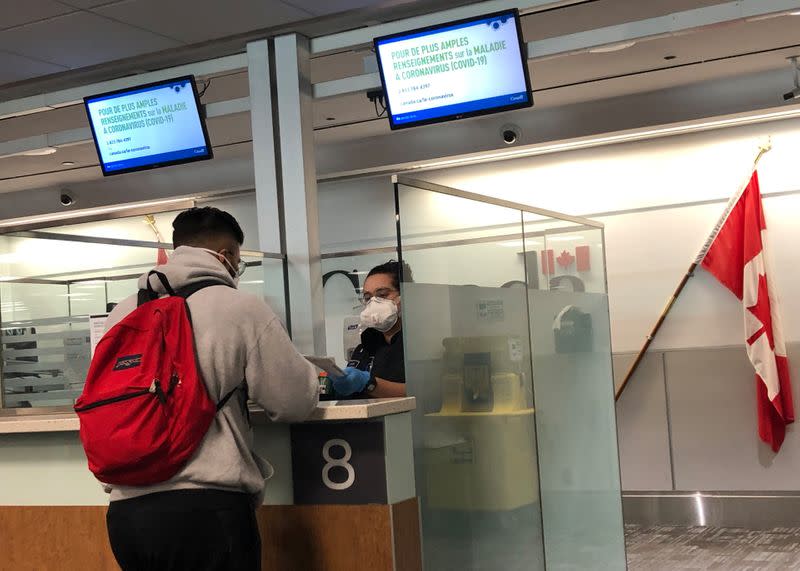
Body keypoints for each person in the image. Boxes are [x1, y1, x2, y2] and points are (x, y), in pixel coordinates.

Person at [103, 207, 319, 571]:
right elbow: (293, 401)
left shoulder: (122, 312)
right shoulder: (240, 307)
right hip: (207, 512)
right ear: (228, 255)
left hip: (127, 515)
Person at [331, 260, 411, 398]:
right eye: (368, 298)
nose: (373, 303)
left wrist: (368, 383)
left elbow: (422, 392)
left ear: (405, 295)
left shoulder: (418, 344)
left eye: (382, 295)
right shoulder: (365, 346)